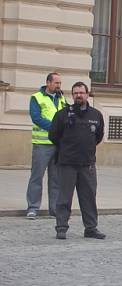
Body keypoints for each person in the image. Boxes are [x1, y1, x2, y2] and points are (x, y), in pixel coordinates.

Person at [49, 81, 105, 240]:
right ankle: (61, 228)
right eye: (76, 93)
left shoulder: (96, 115)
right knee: (64, 198)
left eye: (81, 92)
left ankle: (91, 228)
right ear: (72, 95)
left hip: (87, 164)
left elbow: (98, 136)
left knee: (88, 198)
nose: (79, 95)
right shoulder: (62, 114)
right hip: (67, 164)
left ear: (87, 94)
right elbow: (53, 136)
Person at [25, 72, 67, 219]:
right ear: (48, 83)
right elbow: (36, 118)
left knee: (56, 178)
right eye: (56, 83)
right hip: (42, 144)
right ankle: (33, 207)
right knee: (37, 176)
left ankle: (54, 209)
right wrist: (55, 127)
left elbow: (66, 115)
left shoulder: (61, 98)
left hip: (58, 144)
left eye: (60, 83)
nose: (59, 86)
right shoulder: (37, 97)